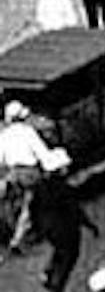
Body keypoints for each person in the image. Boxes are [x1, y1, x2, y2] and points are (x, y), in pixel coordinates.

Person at [31, 148, 97, 292]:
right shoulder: (65, 189)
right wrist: (90, 226)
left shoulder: (40, 187)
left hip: (48, 228)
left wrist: (38, 228)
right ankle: (57, 288)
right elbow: (75, 210)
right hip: (66, 228)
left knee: (59, 250)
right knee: (70, 256)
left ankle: (48, 273)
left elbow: (33, 208)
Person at [0, 102, 53, 254]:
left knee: (11, 203)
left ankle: (12, 229)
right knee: (28, 205)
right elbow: (42, 153)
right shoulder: (28, 132)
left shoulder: (3, 135)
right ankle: (18, 238)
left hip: (13, 173)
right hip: (30, 173)